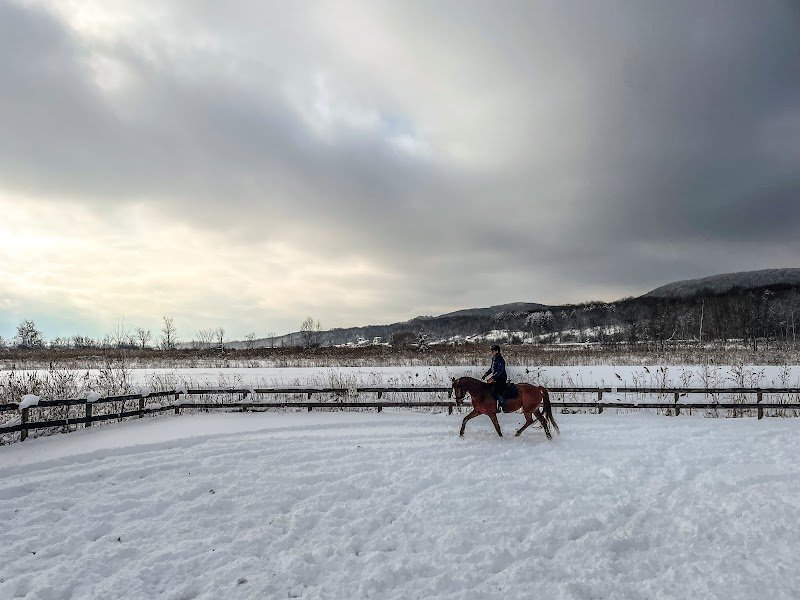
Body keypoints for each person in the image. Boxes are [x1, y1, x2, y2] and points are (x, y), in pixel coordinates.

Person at [483, 344, 508, 412]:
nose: (492, 352)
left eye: (493, 351)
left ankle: (502, 405)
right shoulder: (494, 359)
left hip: (501, 378)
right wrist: (486, 374)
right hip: (496, 378)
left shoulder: (500, 359)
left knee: (497, 390)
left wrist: (492, 378)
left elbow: (500, 371)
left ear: (497, 351)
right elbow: (492, 369)